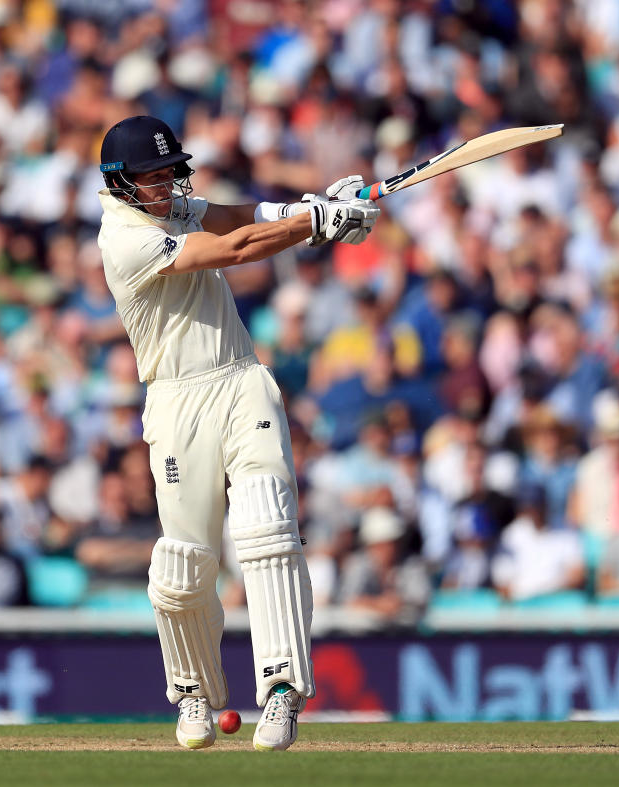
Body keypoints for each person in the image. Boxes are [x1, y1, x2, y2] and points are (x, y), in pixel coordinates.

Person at [96, 115, 379, 751]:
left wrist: (311, 206)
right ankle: (194, 694)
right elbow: (235, 249)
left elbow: (234, 214)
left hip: (241, 379)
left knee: (268, 528)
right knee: (185, 562)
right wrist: (314, 224)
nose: (166, 187)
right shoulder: (124, 239)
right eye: (151, 177)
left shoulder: (174, 206)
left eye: (171, 174)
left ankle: (282, 692)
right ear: (120, 184)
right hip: (175, 400)